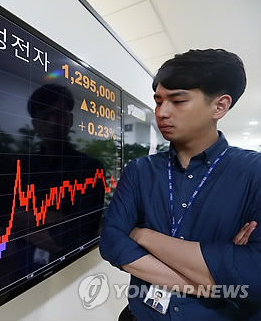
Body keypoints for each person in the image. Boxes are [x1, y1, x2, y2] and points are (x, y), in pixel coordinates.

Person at [100, 49, 261, 320]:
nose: (162, 112)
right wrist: (217, 283)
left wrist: (143, 235)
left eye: (177, 101)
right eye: (159, 101)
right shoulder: (140, 171)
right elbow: (112, 243)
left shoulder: (253, 172)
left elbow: (254, 273)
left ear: (219, 106)